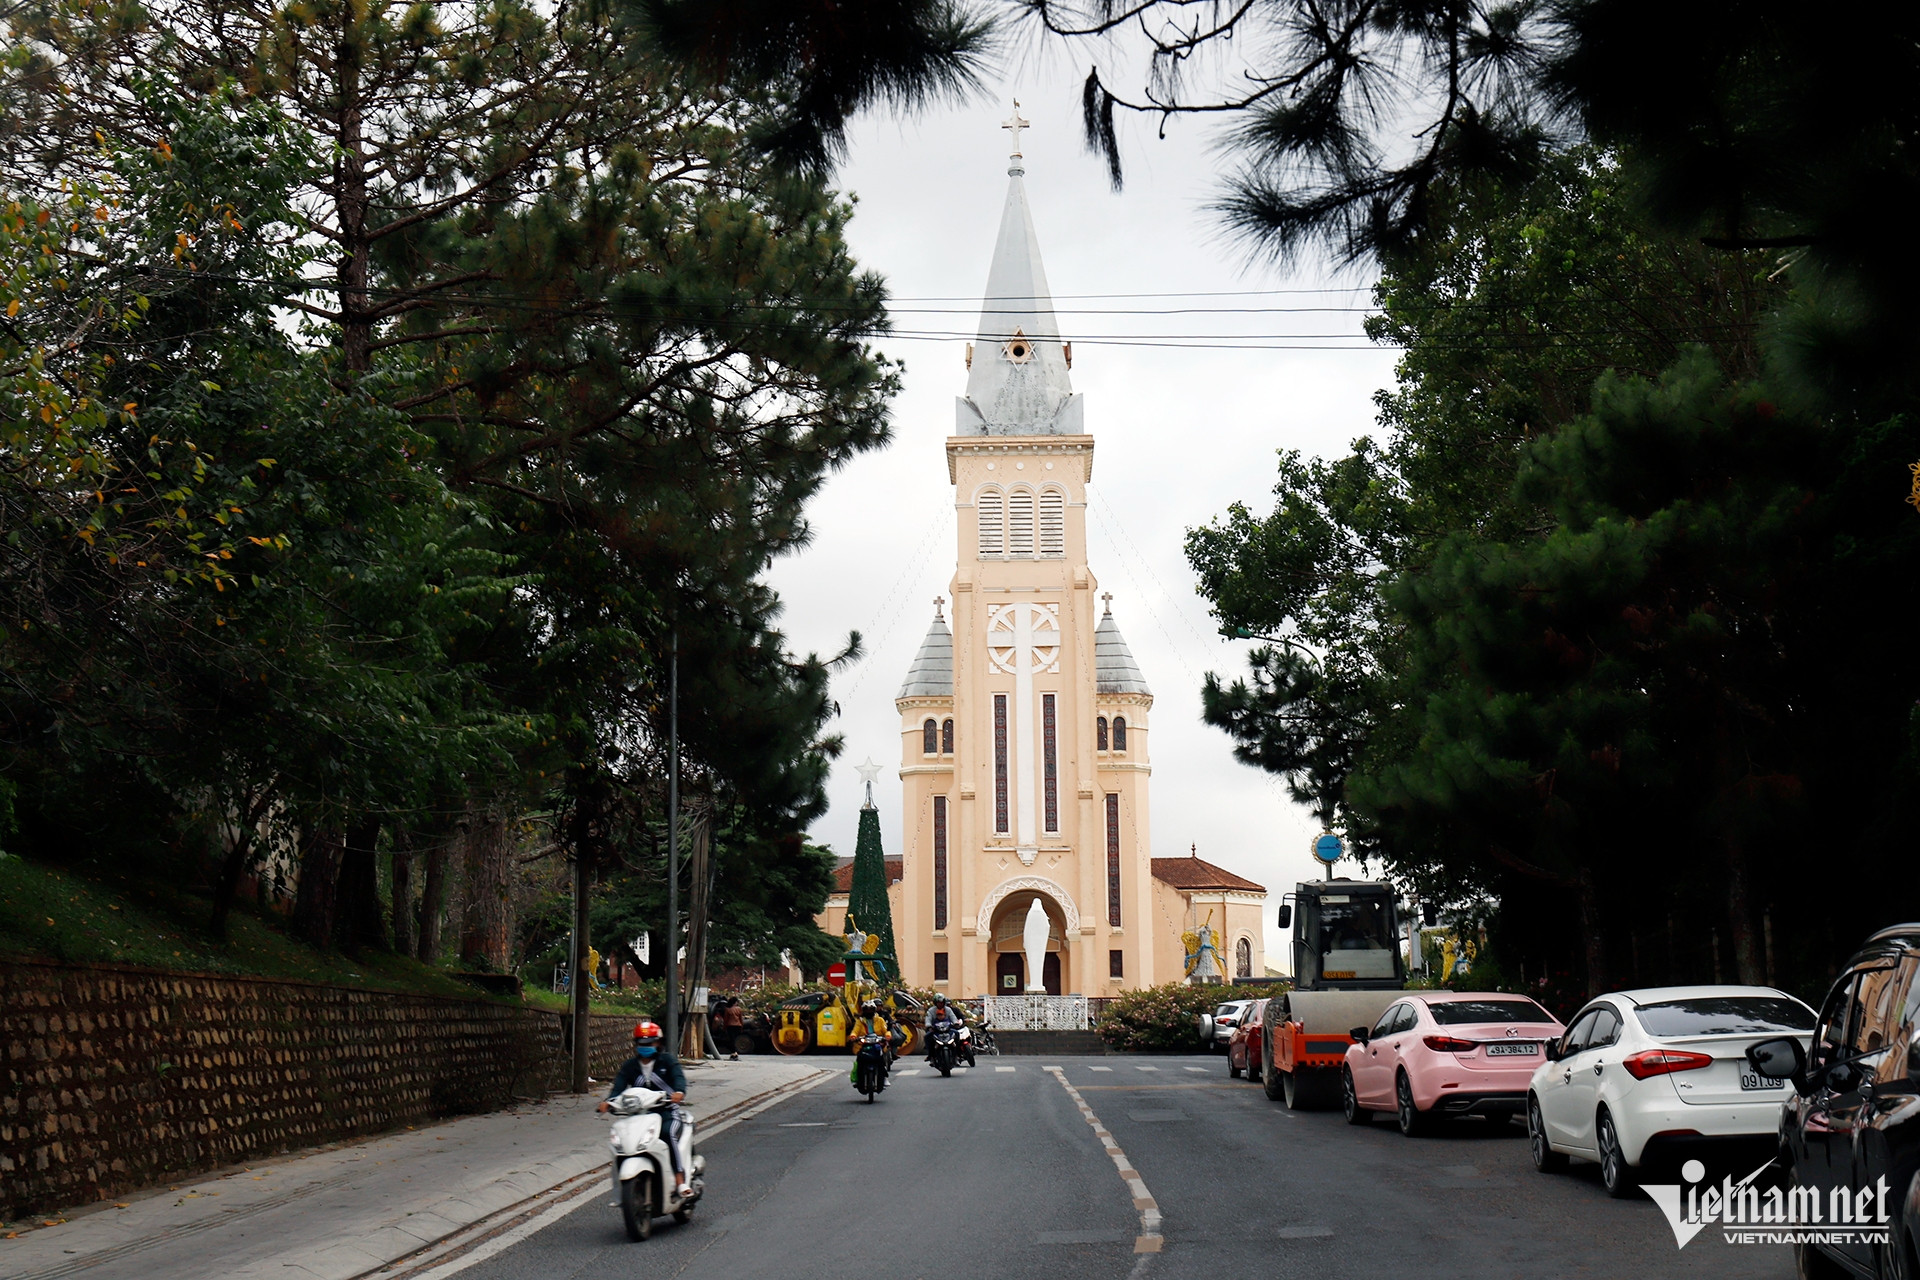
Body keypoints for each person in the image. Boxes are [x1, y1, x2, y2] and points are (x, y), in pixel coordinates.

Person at [597, 1019, 691, 1199]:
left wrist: (679, 1092)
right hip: (638, 1114)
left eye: (650, 1042)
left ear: (659, 1043)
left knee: (667, 1134)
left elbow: (679, 1078)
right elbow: (618, 1087)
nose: (645, 1046)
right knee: (623, 1141)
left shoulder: (668, 1061)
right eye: (641, 1043)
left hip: (667, 1112)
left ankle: (680, 1181)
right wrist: (608, 1102)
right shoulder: (630, 1066)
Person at [848, 1000, 892, 1088]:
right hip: (863, 1044)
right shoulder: (859, 1021)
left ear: (874, 1010)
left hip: (877, 1042)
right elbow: (855, 1031)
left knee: (881, 1060)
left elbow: (886, 1031)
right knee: (860, 1060)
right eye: (866, 1010)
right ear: (863, 1010)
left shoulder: (880, 1020)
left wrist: (887, 1036)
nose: (869, 1012)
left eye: (871, 1009)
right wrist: (853, 1036)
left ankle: (884, 1078)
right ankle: (858, 1079)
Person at [923, 994, 965, 1065]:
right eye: (939, 1002)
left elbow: (953, 1017)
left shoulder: (948, 1010)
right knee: (927, 1037)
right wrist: (929, 1026)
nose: (940, 1004)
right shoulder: (931, 1011)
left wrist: (956, 1023)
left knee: (957, 1034)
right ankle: (931, 1056)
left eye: (942, 1002)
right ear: (935, 1003)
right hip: (935, 1030)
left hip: (947, 1029)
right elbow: (928, 1019)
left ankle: (957, 1055)